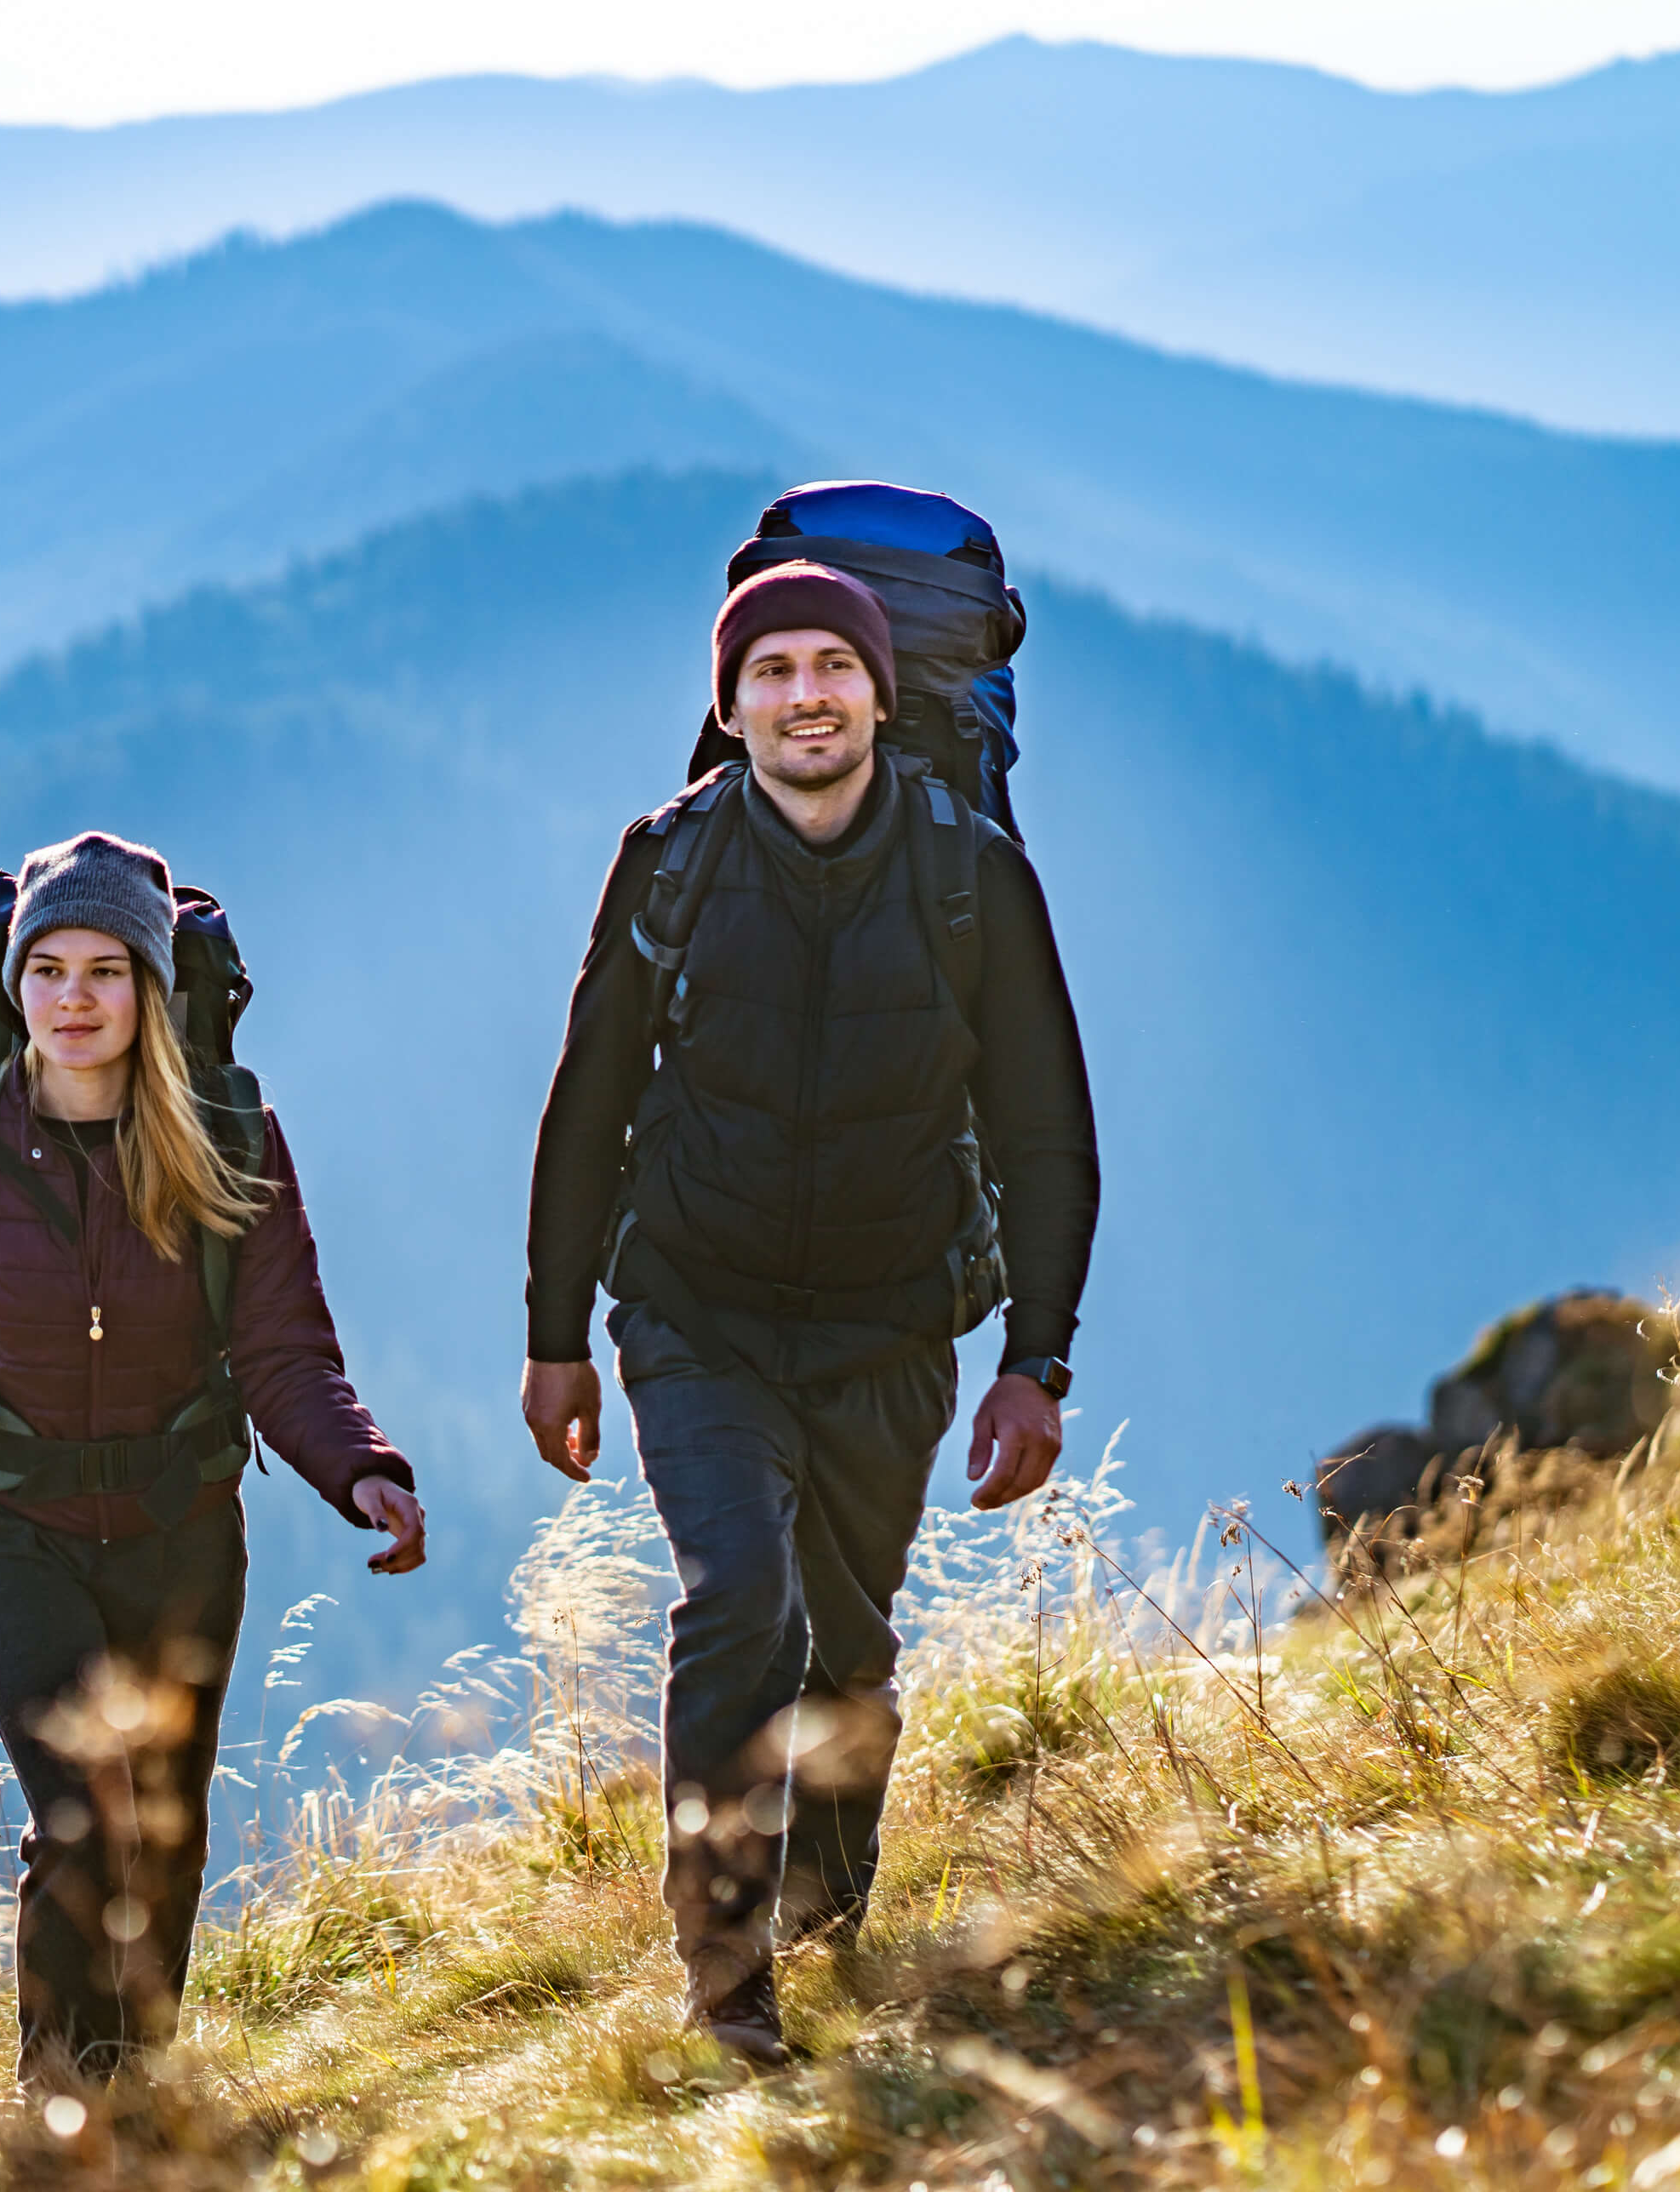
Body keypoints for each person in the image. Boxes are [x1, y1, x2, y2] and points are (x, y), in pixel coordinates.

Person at [520, 562, 1099, 2066]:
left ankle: (830, 1919)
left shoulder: (973, 875)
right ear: (729, 707)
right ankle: (727, 1980)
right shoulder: (671, 862)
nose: (804, 696)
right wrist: (556, 1331)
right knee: (740, 1605)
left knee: (848, 1652)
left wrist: (1038, 1357)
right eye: (769, 672)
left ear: (878, 691)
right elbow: (588, 1101)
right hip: (694, 1317)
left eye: (828, 668)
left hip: (891, 1329)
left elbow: (1044, 1126)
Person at [0, 830, 426, 2086]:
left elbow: (284, 1345)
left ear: (153, 986)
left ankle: (137, 2095)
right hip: (10, 1527)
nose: (72, 997)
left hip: (182, 1526)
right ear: (12, 984)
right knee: (81, 1810)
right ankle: (60, 2108)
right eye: (47, 967)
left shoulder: (228, 1133)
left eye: (105, 970)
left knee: (159, 1829)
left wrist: (359, 1468)